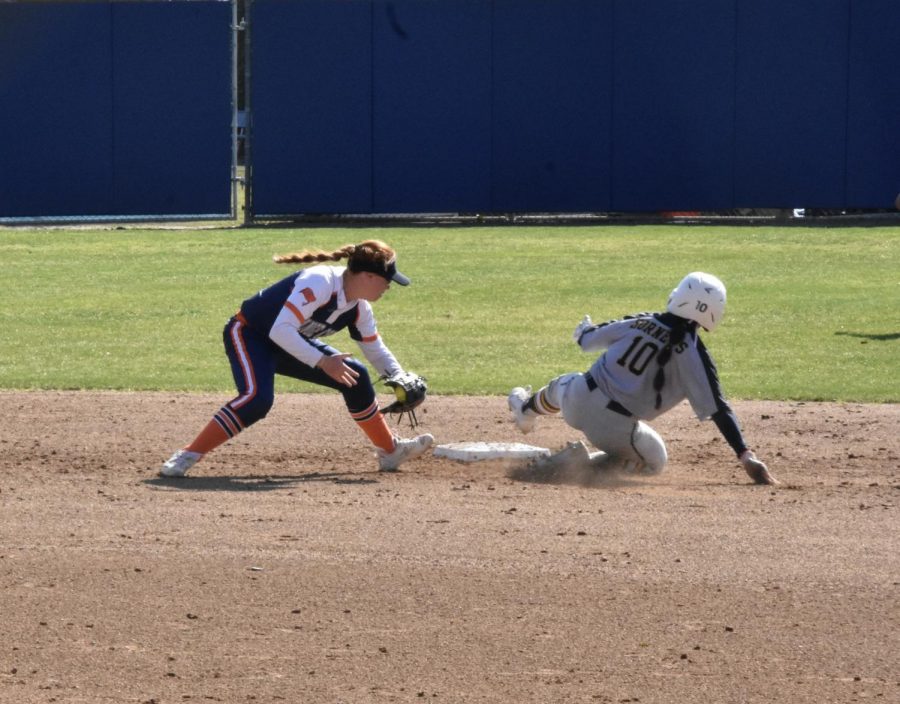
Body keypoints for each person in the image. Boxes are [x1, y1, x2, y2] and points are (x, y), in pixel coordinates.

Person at [160, 240, 433, 477]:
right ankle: (188, 454)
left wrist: (399, 378)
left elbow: (374, 348)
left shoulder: (359, 307)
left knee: (356, 377)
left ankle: (390, 451)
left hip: (289, 342)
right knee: (257, 400)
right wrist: (324, 361)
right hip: (250, 334)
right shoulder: (320, 282)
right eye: (387, 280)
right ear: (367, 276)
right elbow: (279, 329)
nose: (389, 286)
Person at [507, 272, 778, 485]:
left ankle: (525, 410)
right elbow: (719, 409)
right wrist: (745, 456)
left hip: (576, 400)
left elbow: (587, 340)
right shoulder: (695, 355)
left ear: (678, 294)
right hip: (613, 430)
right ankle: (581, 464)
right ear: (713, 312)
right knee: (655, 461)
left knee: (564, 384)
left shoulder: (641, 321)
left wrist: (585, 330)